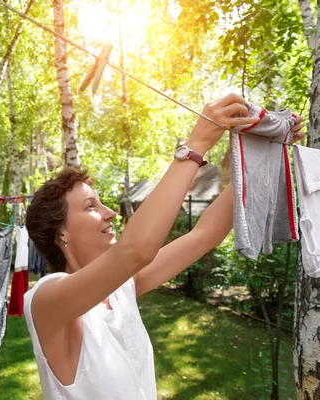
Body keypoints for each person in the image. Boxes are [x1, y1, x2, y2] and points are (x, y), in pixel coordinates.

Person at [23, 93, 305, 399]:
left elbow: (204, 235)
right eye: (91, 207)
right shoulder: (46, 301)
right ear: (60, 234)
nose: (110, 213)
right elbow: (135, 250)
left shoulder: (120, 289)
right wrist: (195, 146)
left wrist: (261, 154)